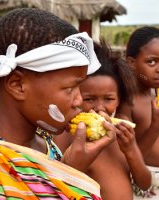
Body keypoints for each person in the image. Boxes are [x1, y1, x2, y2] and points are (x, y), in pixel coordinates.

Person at [0, 8, 117, 199]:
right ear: (17, 85)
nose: (79, 101)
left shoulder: (47, 145)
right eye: (70, 89)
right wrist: (70, 177)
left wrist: (68, 169)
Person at [54, 40, 152, 200]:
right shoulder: (67, 134)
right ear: (77, 98)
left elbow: (144, 183)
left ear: (119, 99)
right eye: (90, 99)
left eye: (109, 99)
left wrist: (131, 149)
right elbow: (57, 186)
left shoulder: (123, 129)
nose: (100, 108)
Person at [117, 26, 159, 200]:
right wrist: (157, 124)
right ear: (131, 62)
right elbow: (131, 155)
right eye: (152, 62)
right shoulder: (127, 103)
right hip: (146, 186)